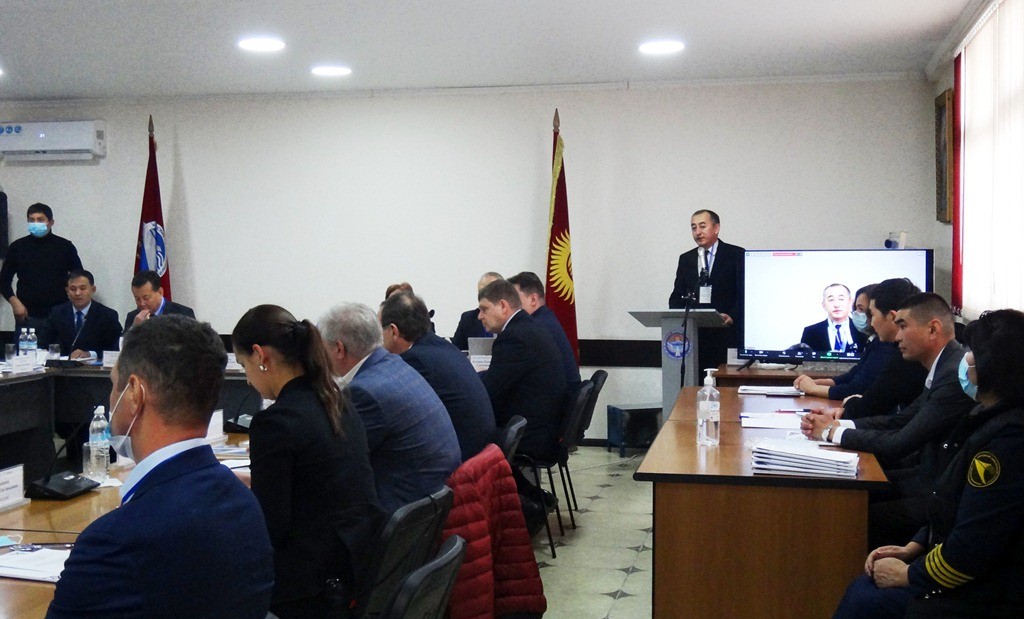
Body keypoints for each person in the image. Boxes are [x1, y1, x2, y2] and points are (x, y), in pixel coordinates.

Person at [47, 315, 274, 618]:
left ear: (134, 393)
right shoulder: (245, 503)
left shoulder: (114, 541)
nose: (111, 398)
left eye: (113, 386)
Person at [832, 309, 1024, 618]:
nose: (966, 359)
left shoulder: (1007, 442)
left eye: (973, 352)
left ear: (993, 365)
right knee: (864, 589)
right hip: (967, 569)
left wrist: (910, 574)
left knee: (865, 599)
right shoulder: (985, 417)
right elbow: (951, 500)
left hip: (989, 593)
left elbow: (974, 544)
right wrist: (914, 546)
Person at [232, 304, 384, 618]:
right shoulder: (337, 401)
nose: (247, 379)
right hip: (352, 571)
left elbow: (269, 529)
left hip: (306, 590)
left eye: (243, 365)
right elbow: (318, 484)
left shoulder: (275, 422)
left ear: (261, 356)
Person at [801, 293, 975, 547]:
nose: (897, 337)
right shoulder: (945, 366)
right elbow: (900, 421)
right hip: (928, 476)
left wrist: (831, 433)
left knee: (852, 511)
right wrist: (840, 426)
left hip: (942, 491)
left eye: (903, 326)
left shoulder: (953, 375)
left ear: (932, 329)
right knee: (851, 488)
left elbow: (901, 441)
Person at [319, 302, 460, 513]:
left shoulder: (364, 392)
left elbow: (337, 460)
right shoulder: (394, 364)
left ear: (339, 349)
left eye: (322, 349)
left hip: (404, 509)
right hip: (433, 496)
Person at [380, 290, 497, 461]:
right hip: (481, 449)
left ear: (393, 331)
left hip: (463, 457)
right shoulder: (439, 345)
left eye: (380, 329)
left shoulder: (415, 360)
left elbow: (397, 415)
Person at [478, 279, 567, 466]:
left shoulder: (513, 337)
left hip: (530, 436)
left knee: (463, 431)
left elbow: (488, 393)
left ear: (503, 306)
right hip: (544, 428)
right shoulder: (528, 327)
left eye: (484, 309)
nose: (480, 316)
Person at [838, 279, 929, 420]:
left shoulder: (906, 357)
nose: (871, 322)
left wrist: (850, 403)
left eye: (873, 315)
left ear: (893, 317)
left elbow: (868, 407)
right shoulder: (902, 351)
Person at [668, 209, 744, 372]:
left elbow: (745, 295)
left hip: (727, 335)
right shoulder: (686, 259)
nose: (697, 232)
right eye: (693, 227)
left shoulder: (736, 255)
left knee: (725, 384)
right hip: (695, 339)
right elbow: (676, 297)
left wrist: (732, 316)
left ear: (716, 228)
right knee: (697, 383)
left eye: (702, 226)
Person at [1, 202, 82, 325]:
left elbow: (79, 277)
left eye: (40, 220)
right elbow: (4, 281)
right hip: (27, 313)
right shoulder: (17, 247)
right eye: (31, 220)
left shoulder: (65, 246)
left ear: (51, 222)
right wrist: (15, 303)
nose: (35, 223)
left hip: (60, 313)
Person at [507, 271, 582, 395]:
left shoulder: (535, 327)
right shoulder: (545, 318)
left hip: (558, 399)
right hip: (564, 394)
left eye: (515, 300)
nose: (510, 306)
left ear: (533, 299)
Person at [44, 269, 121, 359]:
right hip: (62, 366)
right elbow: (43, 343)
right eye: (73, 289)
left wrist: (90, 354)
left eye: (83, 288)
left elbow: (115, 349)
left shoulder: (108, 315)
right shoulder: (57, 313)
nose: (77, 293)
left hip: (94, 367)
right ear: (67, 291)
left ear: (93, 289)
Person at [800, 283, 869, 353]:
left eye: (841, 299)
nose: (836, 305)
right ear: (823, 305)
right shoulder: (810, 332)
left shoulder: (863, 330)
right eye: (831, 300)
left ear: (850, 302)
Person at [123, 270, 195, 332]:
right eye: (137, 299)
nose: (142, 303)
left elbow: (194, 342)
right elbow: (121, 343)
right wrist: (134, 328)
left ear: (160, 292)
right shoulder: (133, 317)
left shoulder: (183, 313)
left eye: (146, 298)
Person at [452, 271, 502, 351]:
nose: (482, 296)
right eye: (480, 292)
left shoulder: (511, 320)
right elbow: (456, 350)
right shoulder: (468, 319)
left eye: (487, 292)